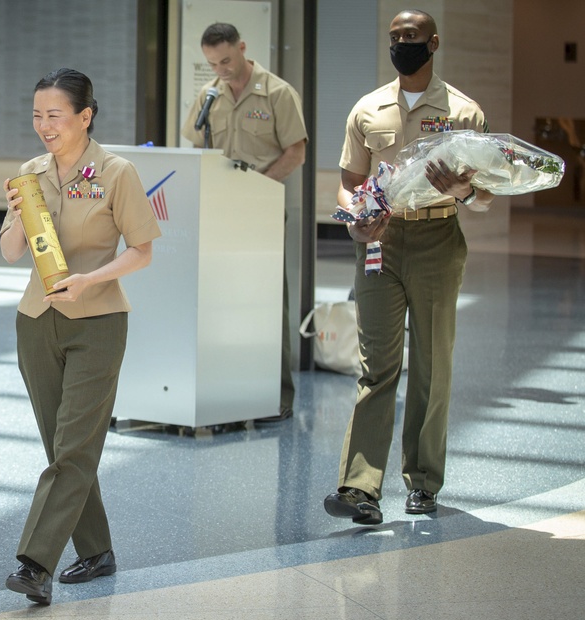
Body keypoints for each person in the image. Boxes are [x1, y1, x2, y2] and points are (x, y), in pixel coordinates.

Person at [323, 9, 493, 526]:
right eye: (396, 38)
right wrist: (355, 219)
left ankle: (423, 482)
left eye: (412, 37)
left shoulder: (464, 112)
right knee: (376, 366)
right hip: (380, 242)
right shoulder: (368, 109)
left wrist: (463, 189)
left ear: (433, 42)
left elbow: (485, 193)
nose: (402, 45)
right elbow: (350, 181)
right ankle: (359, 487)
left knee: (431, 366)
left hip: (438, 239)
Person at [0, 68, 161, 605]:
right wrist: (21, 214)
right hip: (35, 321)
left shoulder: (117, 172)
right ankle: (98, 550)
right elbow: (9, 252)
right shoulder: (29, 173)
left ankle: (34, 563)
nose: (44, 126)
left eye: (55, 115)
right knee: (63, 446)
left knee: (73, 448)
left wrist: (88, 281)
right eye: (37, 116)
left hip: (97, 322)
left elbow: (142, 251)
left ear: (85, 116)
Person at [181, 22, 308, 423]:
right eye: (212, 63)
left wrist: (257, 189)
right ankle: (228, 391)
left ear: (243, 49)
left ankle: (276, 397)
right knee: (221, 300)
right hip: (218, 212)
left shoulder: (277, 93)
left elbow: (296, 152)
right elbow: (193, 141)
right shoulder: (210, 94)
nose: (221, 68)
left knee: (268, 301)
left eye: (226, 60)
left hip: (261, 210)